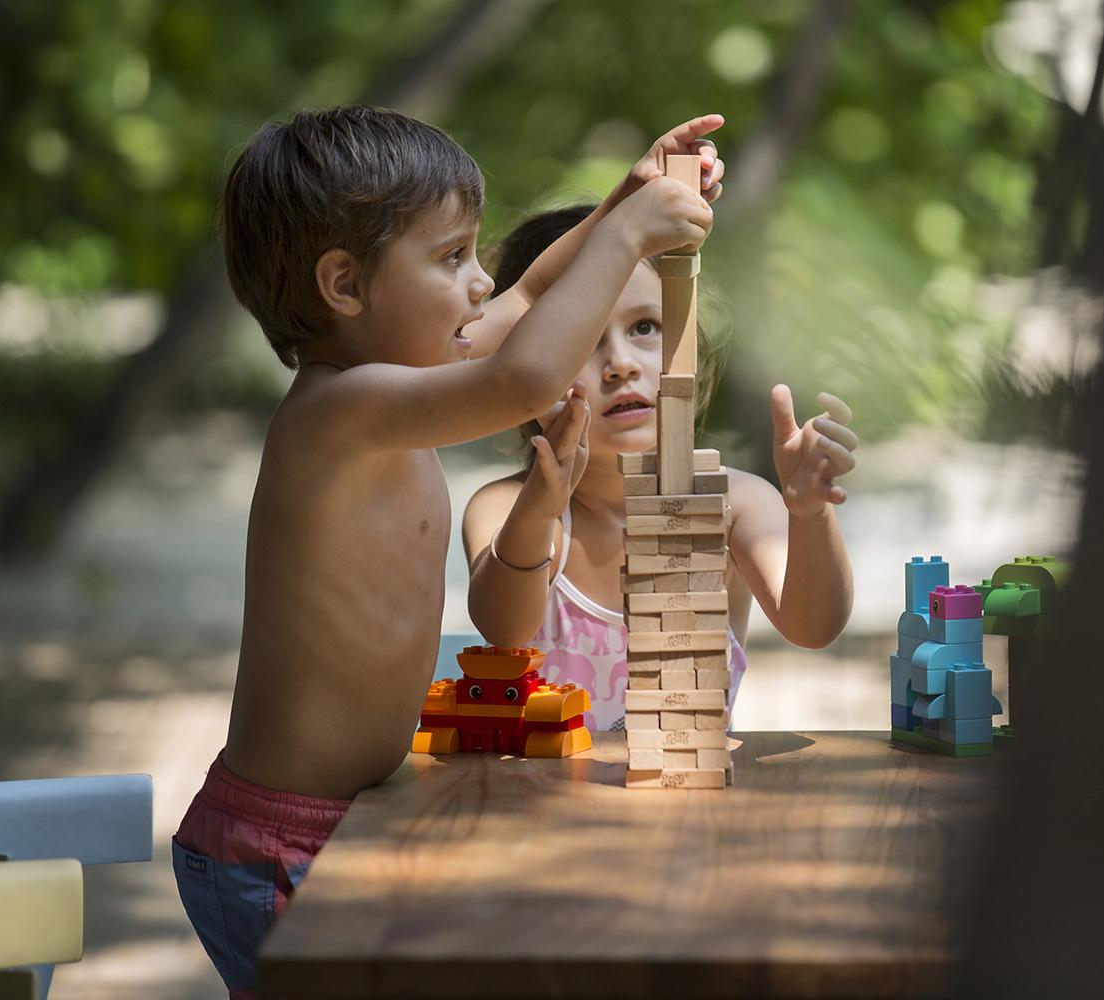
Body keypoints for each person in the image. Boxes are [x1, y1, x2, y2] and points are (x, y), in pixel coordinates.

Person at [171, 105, 725, 998]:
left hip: (338, 825)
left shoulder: (397, 383)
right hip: (282, 843)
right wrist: (629, 235)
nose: (480, 286)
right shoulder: (338, 412)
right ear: (344, 286)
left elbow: (538, 297)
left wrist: (631, 191)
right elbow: (526, 377)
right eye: (452, 258)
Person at [461, 206, 858, 733]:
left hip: (690, 810)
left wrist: (808, 513)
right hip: (537, 808)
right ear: (518, 369)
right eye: (581, 339)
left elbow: (814, 627)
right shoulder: (504, 508)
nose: (621, 363)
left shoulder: (734, 505)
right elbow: (504, 628)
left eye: (645, 326)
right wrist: (540, 507)